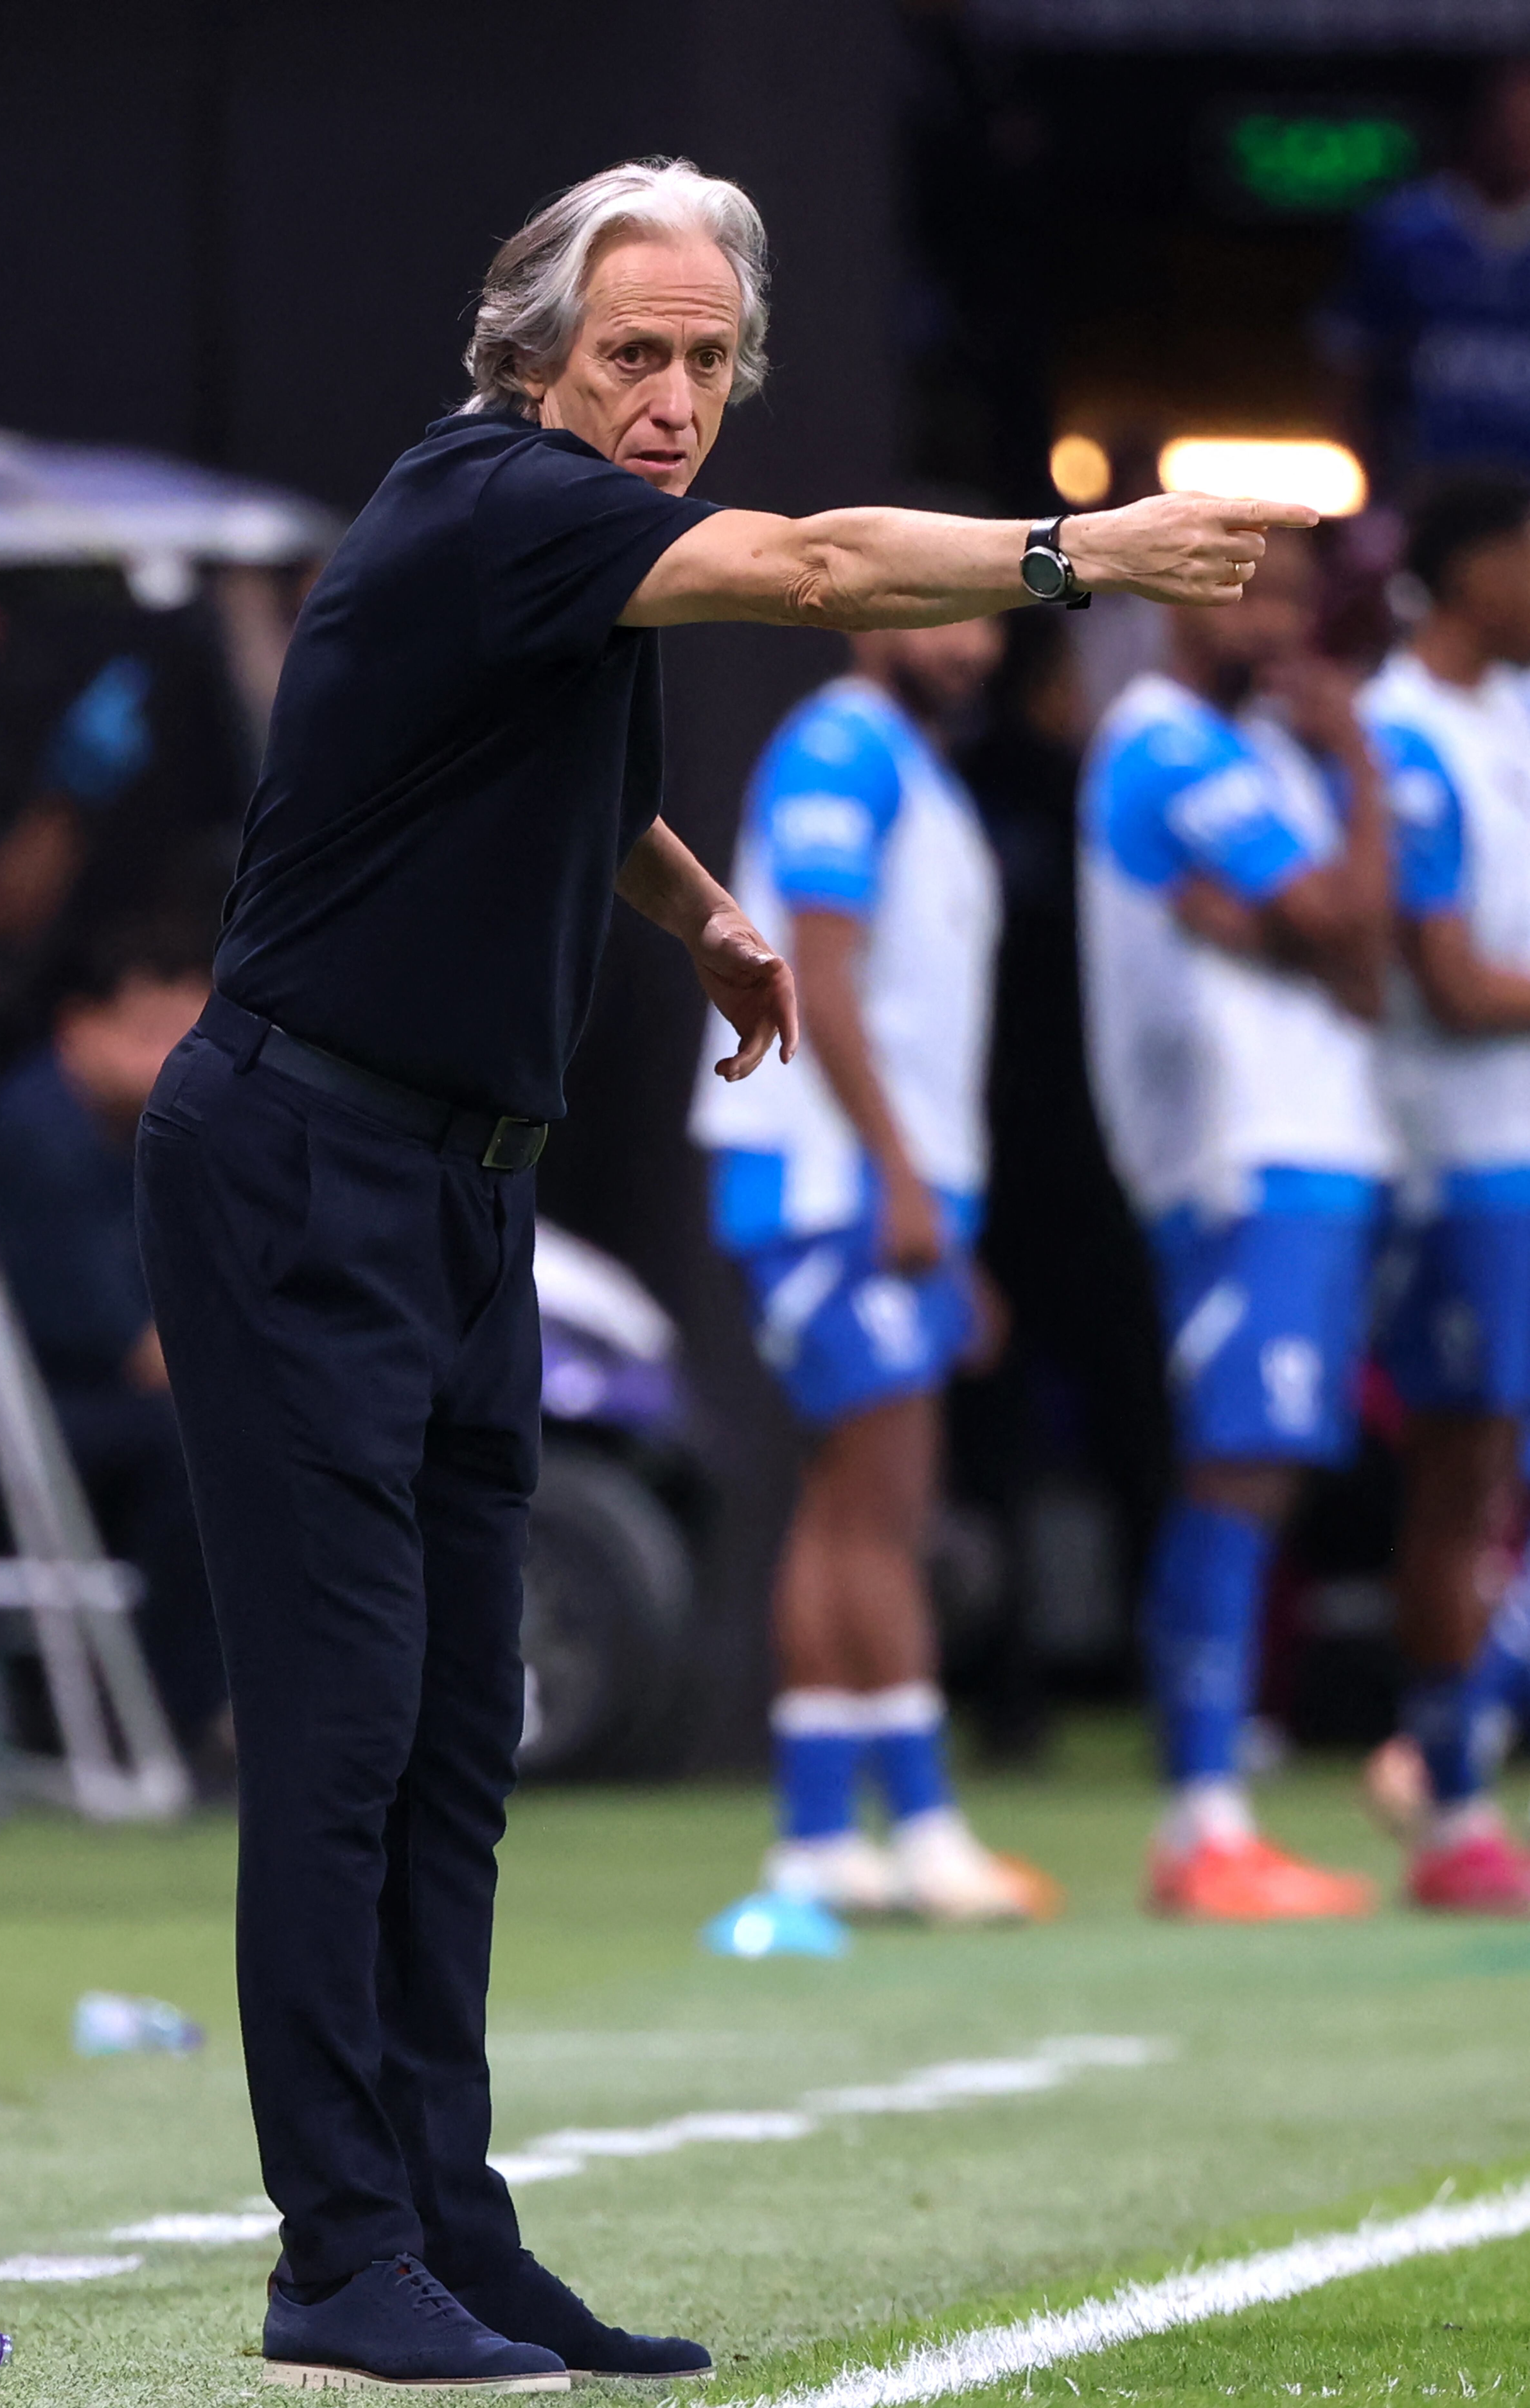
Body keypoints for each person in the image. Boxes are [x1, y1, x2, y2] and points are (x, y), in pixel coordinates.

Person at [134, 155, 1308, 2393]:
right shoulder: (503, 499)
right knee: (351, 1725)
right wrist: (1090, 552)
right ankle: (337, 2249)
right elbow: (823, 564)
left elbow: (549, 773)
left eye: (701, 360)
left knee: (460, 1729)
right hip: (304, 1163)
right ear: (533, 357)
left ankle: (448, 2234)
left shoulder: (558, 549)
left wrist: (699, 918)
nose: (672, 395)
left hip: (459, 1177)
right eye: (631, 354)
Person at [690, 614, 1066, 1922]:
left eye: (980, 624)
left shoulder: (910, 767)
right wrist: (898, 1176)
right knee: (880, 1499)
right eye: (936, 615)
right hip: (829, 1176)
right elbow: (820, 976)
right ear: (865, 619)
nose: (965, 646)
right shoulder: (842, 746)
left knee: (857, 1496)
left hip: (882, 1179)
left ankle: (817, 1828)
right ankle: (913, 1822)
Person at [1079, 530, 1396, 1919]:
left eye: (1290, 600)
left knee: (1262, 1471)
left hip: (1309, 1145)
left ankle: (1213, 1809)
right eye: (1242, 592)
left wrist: (1313, 928)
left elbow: (1363, 953)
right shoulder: (1164, 743)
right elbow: (1337, 914)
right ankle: (1197, 1819)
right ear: (1167, 602)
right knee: (1235, 1468)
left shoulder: (1263, 755)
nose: (1273, 625)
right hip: (1234, 1152)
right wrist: (1363, 785)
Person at [1359, 470, 1530, 1911]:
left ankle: (1446, 1750)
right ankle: (1450, 1787)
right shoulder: (1399, 732)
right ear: (1470, 571)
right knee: (1463, 1472)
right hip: (1455, 1156)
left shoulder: (1511, 715)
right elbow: (1453, 980)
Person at [0, 916, 229, 1785]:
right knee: (203, 1449)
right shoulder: (40, 1131)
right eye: (154, 1033)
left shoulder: (149, 1137)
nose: (175, 1059)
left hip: (89, 1413)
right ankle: (170, 1723)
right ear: (80, 1027)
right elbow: (139, 1351)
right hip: (10, 1425)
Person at [1322, 58, 1530, 494]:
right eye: (1510, 121)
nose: (1519, 138)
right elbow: (1348, 363)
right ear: (1482, 123)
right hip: (1422, 488)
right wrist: (1376, 484)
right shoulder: (1403, 228)